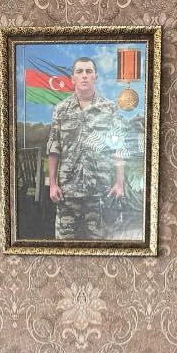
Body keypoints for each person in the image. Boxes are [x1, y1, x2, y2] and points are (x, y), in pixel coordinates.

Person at [46, 55, 127, 240]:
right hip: (67, 193)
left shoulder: (109, 109)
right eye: (80, 71)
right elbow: (53, 148)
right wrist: (53, 184)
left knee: (100, 245)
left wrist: (119, 183)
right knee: (64, 246)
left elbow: (118, 148)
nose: (84, 75)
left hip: (100, 192)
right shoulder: (61, 110)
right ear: (72, 78)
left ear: (95, 77)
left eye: (89, 71)